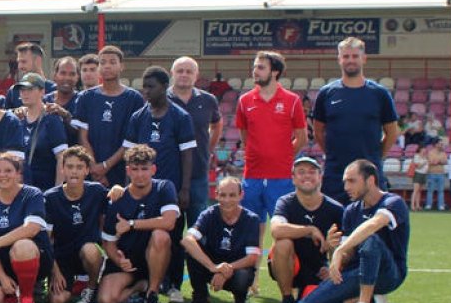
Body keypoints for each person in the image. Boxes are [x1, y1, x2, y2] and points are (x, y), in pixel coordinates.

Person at [295, 159, 411, 303]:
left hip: (389, 274)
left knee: (370, 239)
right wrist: (334, 246)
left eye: (351, 181)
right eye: (345, 182)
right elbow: (348, 257)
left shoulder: (393, 202)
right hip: (358, 272)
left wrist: (341, 248)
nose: (346, 187)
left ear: (370, 180)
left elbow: (373, 224)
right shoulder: (351, 211)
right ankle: (363, 300)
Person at [123, 66, 195, 303]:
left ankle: (173, 284)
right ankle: (146, 281)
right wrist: (127, 188)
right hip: (142, 189)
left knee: (172, 236)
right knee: (142, 236)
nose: (146, 91)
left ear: (164, 87)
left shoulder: (180, 117)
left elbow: (187, 155)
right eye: (144, 86)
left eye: (150, 86)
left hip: (170, 190)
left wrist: (184, 188)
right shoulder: (137, 117)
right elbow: (129, 154)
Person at [311, 37, 400, 204]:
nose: (350, 60)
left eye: (354, 56)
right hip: (335, 173)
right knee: (335, 226)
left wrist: (376, 155)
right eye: (345, 56)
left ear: (363, 58)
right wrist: (332, 154)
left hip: (370, 172)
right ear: (339, 59)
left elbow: (392, 132)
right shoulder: (326, 93)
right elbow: (318, 131)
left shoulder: (379, 94)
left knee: (373, 225)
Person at [96, 144, 179, 303]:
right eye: (135, 169)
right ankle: (140, 286)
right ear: (128, 171)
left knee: (160, 236)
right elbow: (108, 241)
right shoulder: (117, 199)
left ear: (153, 169)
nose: (140, 174)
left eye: (144, 169)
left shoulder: (164, 187)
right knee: (106, 300)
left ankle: (152, 292)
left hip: (153, 258)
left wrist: (132, 224)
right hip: (128, 263)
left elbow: (169, 221)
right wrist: (120, 261)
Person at [0, 153, 53, 303]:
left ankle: (27, 295)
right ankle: (9, 291)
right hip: (0, 263)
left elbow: (32, 228)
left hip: (31, 256)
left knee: (23, 245)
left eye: (8, 170)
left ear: (18, 174)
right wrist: (2, 278)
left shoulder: (32, 194)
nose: (2, 175)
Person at [235, 51, 307, 222]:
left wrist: (284, 154)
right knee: (251, 226)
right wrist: (256, 153)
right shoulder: (244, 100)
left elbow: (302, 137)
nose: (255, 71)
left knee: (282, 227)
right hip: (252, 175)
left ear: (275, 72)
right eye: (254, 67)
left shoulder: (292, 100)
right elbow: (244, 135)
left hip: (281, 176)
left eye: (260, 67)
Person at [268, 156, 344, 303]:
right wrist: (309, 230)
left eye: (312, 172)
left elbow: (345, 244)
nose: (307, 176)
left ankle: (307, 290)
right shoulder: (285, 202)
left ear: (320, 177)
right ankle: (287, 298)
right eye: (301, 172)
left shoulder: (335, 209)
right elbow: (276, 230)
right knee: (282, 243)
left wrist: (333, 267)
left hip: (318, 269)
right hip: (290, 264)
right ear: (293, 179)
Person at [180, 177, 262, 303]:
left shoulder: (251, 219)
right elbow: (187, 240)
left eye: (232, 195)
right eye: (223, 195)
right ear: (216, 194)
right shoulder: (209, 214)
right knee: (192, 250)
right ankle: (200, 300)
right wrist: (213, 267)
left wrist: (226, 270)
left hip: (236, 269)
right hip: (212, 266)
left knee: (243, 275)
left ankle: (240, 301)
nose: (227, 200)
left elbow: (252, 257)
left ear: (241, 195)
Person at [42, 146, 106, 303]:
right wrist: (54, 271)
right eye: (69, 167)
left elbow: (118, 198)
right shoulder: (50, 197)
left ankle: (91, 288)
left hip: (87, 253)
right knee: (57, 300)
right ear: (62, 169)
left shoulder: (97, 192)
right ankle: (68, 285)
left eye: (79, 167)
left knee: (91, 250)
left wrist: (118, 190)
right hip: (62, 257)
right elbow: (46, 241)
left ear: (87, 170)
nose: (74, 172)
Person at [74, 45, 145, 187]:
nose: (107, 66)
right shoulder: (86, 97)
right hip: (91, 172)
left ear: (121, 66)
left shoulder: (134, 98)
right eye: (103, 62)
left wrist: (106, 166)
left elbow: (131, 141)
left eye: (112, 62)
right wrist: (94, 167)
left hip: (121, 171)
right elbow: (83, 137)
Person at [168, 56, 223, 223]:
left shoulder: (208, 100)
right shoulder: (161, 100)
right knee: (170, 230)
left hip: (198, 172)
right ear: (172, 73)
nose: (184, 74)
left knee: (198, 228)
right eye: (180, 71)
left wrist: (208, 149)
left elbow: (217, 124)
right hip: (169, 174)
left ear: (196, 75)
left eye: (189, 71)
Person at [16, 72, 69, 190]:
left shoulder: (51, 119)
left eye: (30, 89)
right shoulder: (19, 119)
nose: (25, 93)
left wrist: (57, 191)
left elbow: (62, 157)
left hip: (45, 188)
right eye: (22, 89)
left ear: (42, 91)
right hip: (22, 189)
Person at [4, 42, 56, 109]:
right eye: (18, 62)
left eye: (24, 62)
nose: (20, 66)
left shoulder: (54, 90)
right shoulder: (13, 91)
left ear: (38, 61)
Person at [425, 142, 448, 211]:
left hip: (441, 173)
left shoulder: (443, 153)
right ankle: (429, 205)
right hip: (432, 173)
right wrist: (439, 161)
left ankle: (441, 205)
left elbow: (445, 162)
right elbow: (431, 162)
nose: (442, 145)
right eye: (440, 144)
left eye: (442, 144)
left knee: (441, 191)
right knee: (430, 190)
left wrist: (437, 161)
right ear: (436, 144)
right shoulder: (430, 152)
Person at [408, 145, 428, 211]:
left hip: (424, 174)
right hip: (418, 174)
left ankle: (417, 205)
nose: (424, 150)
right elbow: (418, 166)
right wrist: (424, 162)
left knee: (419, 191)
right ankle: (412, 205)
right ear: (420, 149)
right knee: (415, 190)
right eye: (423, 149)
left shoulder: (425, 157)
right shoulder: (416, 156)